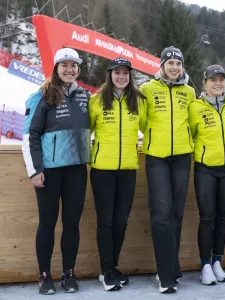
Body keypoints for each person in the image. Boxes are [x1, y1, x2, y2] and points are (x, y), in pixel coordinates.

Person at [22, 48, 91, 294]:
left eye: (74, 65)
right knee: (47, 223)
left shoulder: (85, 96)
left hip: (76, 170)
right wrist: (34, 170)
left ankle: (68, 274)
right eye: (65, 65)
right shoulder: (41, 95)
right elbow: (30, 135)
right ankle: (44, 276)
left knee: (72, 224)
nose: (70, 69)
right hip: (49, 172)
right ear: (56, 67)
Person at [139, 46, 196, 293]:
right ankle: (165, 275)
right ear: (161, 66)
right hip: (157, 157)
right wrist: (153, 138)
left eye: (178, 64)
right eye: (169, 63)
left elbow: (193, 123)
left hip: (182, 157)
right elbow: (142, 120)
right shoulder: (147, 90)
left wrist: (186, 141)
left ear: (182, 67)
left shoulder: (190, 92)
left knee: (176, 213)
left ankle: (172, 265)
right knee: (161, 213)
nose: (174, 67)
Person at [89, 58, 146, 291]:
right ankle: (106, 270)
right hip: (102, 170)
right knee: (106, 222)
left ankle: (112, 266)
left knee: (121, 222)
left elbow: (150, 127)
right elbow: (85, 132)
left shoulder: (138, 101)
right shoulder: (96, 101)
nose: (121, 76)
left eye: (125, 73)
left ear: (130, 75)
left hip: (128, 170)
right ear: (109, 74)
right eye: (117, 72)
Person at [188, 65, 225, 285]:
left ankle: (217, 261)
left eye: (221, 80)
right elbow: (190, 133)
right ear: (204, 83)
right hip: (206, 169)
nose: (217, 83)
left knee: (223, 218)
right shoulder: (195, 107)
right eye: (213, 80)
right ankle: (205, 266)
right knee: (207, 217)